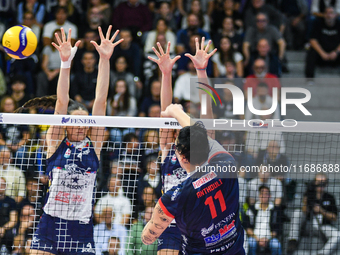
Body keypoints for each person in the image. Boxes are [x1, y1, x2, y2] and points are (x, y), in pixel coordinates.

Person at [15, 26, 123, 254]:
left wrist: (104, 59)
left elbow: (101, 100)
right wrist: (65, 63)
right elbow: (61, 103)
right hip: (50, 223)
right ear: (66, 123)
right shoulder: (55, 141)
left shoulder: (94, 144)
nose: (82, 124)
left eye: (86, 121)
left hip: (80, 227)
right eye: (76, 120)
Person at [142, 39, 245, 254]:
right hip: (171, 222)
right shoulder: (170, 145)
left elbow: (206, 110)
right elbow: (166, 109)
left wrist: (202, 71)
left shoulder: (203, 146)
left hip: (202, 219)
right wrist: (166, 73)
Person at [287, 173, 339, 254]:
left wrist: (321, 211)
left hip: (323, 226)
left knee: (337, 235)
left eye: (323, 182)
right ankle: (292, 241)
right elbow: (304, 211)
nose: (321, 184)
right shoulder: (309, 194)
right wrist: (305, 203)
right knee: (297, 212)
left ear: (326, 184)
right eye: (318, 182)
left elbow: (334, 217)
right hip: (308, 225)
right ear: (314, 183)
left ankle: (322, 253)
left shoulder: (330, 197)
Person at [244, 185, 283, 255]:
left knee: (276, 245)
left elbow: (277, 229)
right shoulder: (251, 209)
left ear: (269, 196)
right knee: (250, 244)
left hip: (270, 238)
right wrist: (258, 239)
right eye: (262, 193)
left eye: (266, 194)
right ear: (259, 195)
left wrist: (267, 239)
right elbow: (247, 227)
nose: (264, 196)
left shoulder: (275, 210)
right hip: (254, 238)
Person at [305, 7, 340, 78]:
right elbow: (312, 40)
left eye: (331, 13)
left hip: (336, 55)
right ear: (323, 14)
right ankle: (309, 78)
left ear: (335, 15)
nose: (329, 15)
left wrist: (336, 52)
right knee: (310, 50)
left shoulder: (339, 24)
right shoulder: (317, 23)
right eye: (327, 13)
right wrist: (322, 53)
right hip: (321, 55)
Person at [0, 177, 18, 253]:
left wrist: (3, 228)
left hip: (7, 229)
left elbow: (13, 220)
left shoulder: (11, 201)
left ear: (6, 186)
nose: (1, 186)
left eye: (3, 185)